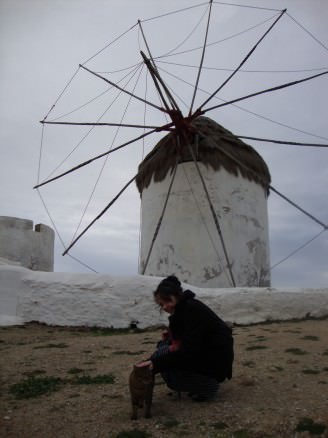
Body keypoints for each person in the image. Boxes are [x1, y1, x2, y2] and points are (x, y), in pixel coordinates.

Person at [137, 275, 234, 402]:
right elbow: (183, 342)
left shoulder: (192, 311)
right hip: (207, 355)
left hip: (216, 362)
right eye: (161, 305)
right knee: (162, 349)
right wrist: (156, 357)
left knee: (170, 375)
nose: (164, 308)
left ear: (172, 298)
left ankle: (209, 386)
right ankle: (201, 381)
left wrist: (155, 364)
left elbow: (188, 352)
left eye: (164, 303)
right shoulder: (185, 309)